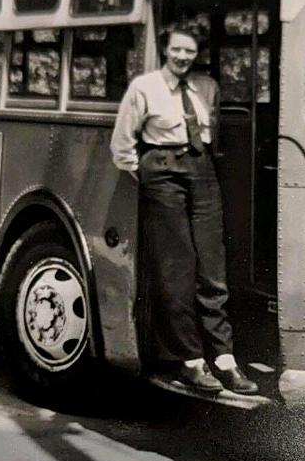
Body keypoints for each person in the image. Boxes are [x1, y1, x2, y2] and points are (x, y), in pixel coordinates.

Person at [109, 23, 258, 395]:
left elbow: (215, 132)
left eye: (190, 51)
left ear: (197, 55)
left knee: (213, 266)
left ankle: (224, 359)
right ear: (165, 50)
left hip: (202, 168)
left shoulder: (207, 87)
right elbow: (122, 145)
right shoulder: (144, 88)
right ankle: (191, 361)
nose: (183, 57)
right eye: (177, 50)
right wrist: (149, 175)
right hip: (161, 171)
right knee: (176, 268)